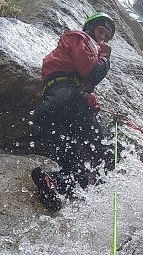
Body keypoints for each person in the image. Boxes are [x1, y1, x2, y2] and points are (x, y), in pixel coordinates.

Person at [31, 12, 117, 211]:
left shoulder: (68, 49)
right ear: (90, 28)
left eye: (107, 36)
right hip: (69, 97)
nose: (103, 38)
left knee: (76, 169)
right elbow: (92, 72)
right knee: (105, 145)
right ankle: (118, 183)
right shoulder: (80, 37)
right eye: (101, 31)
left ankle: (52, 182)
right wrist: (105, 56)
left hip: (53, 105)